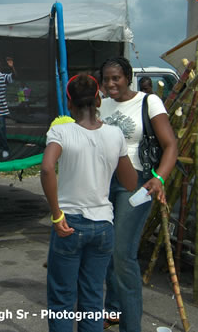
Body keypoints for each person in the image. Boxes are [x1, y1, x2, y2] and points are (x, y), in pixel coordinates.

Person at [41, 74, 137, 332]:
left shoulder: (60, 131)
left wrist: (56, 214)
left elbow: (48, 168)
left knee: (62, 298)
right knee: (93, 299)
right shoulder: (114, 134)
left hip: (69, 224)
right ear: (98, 99)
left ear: (68, 102)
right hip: (103, 226)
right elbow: (130, 183)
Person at [99, 57, 177, 332]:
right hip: (102, 183)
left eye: (116, 78)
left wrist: (159, 178)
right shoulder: (102, 104)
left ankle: (131, 326)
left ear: (128, 78)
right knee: (107, 249)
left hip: (137, 184)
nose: (110, 84)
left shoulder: (148, 102)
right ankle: (113, 311)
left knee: (122, 253)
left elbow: (170, 145)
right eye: (106, 79)